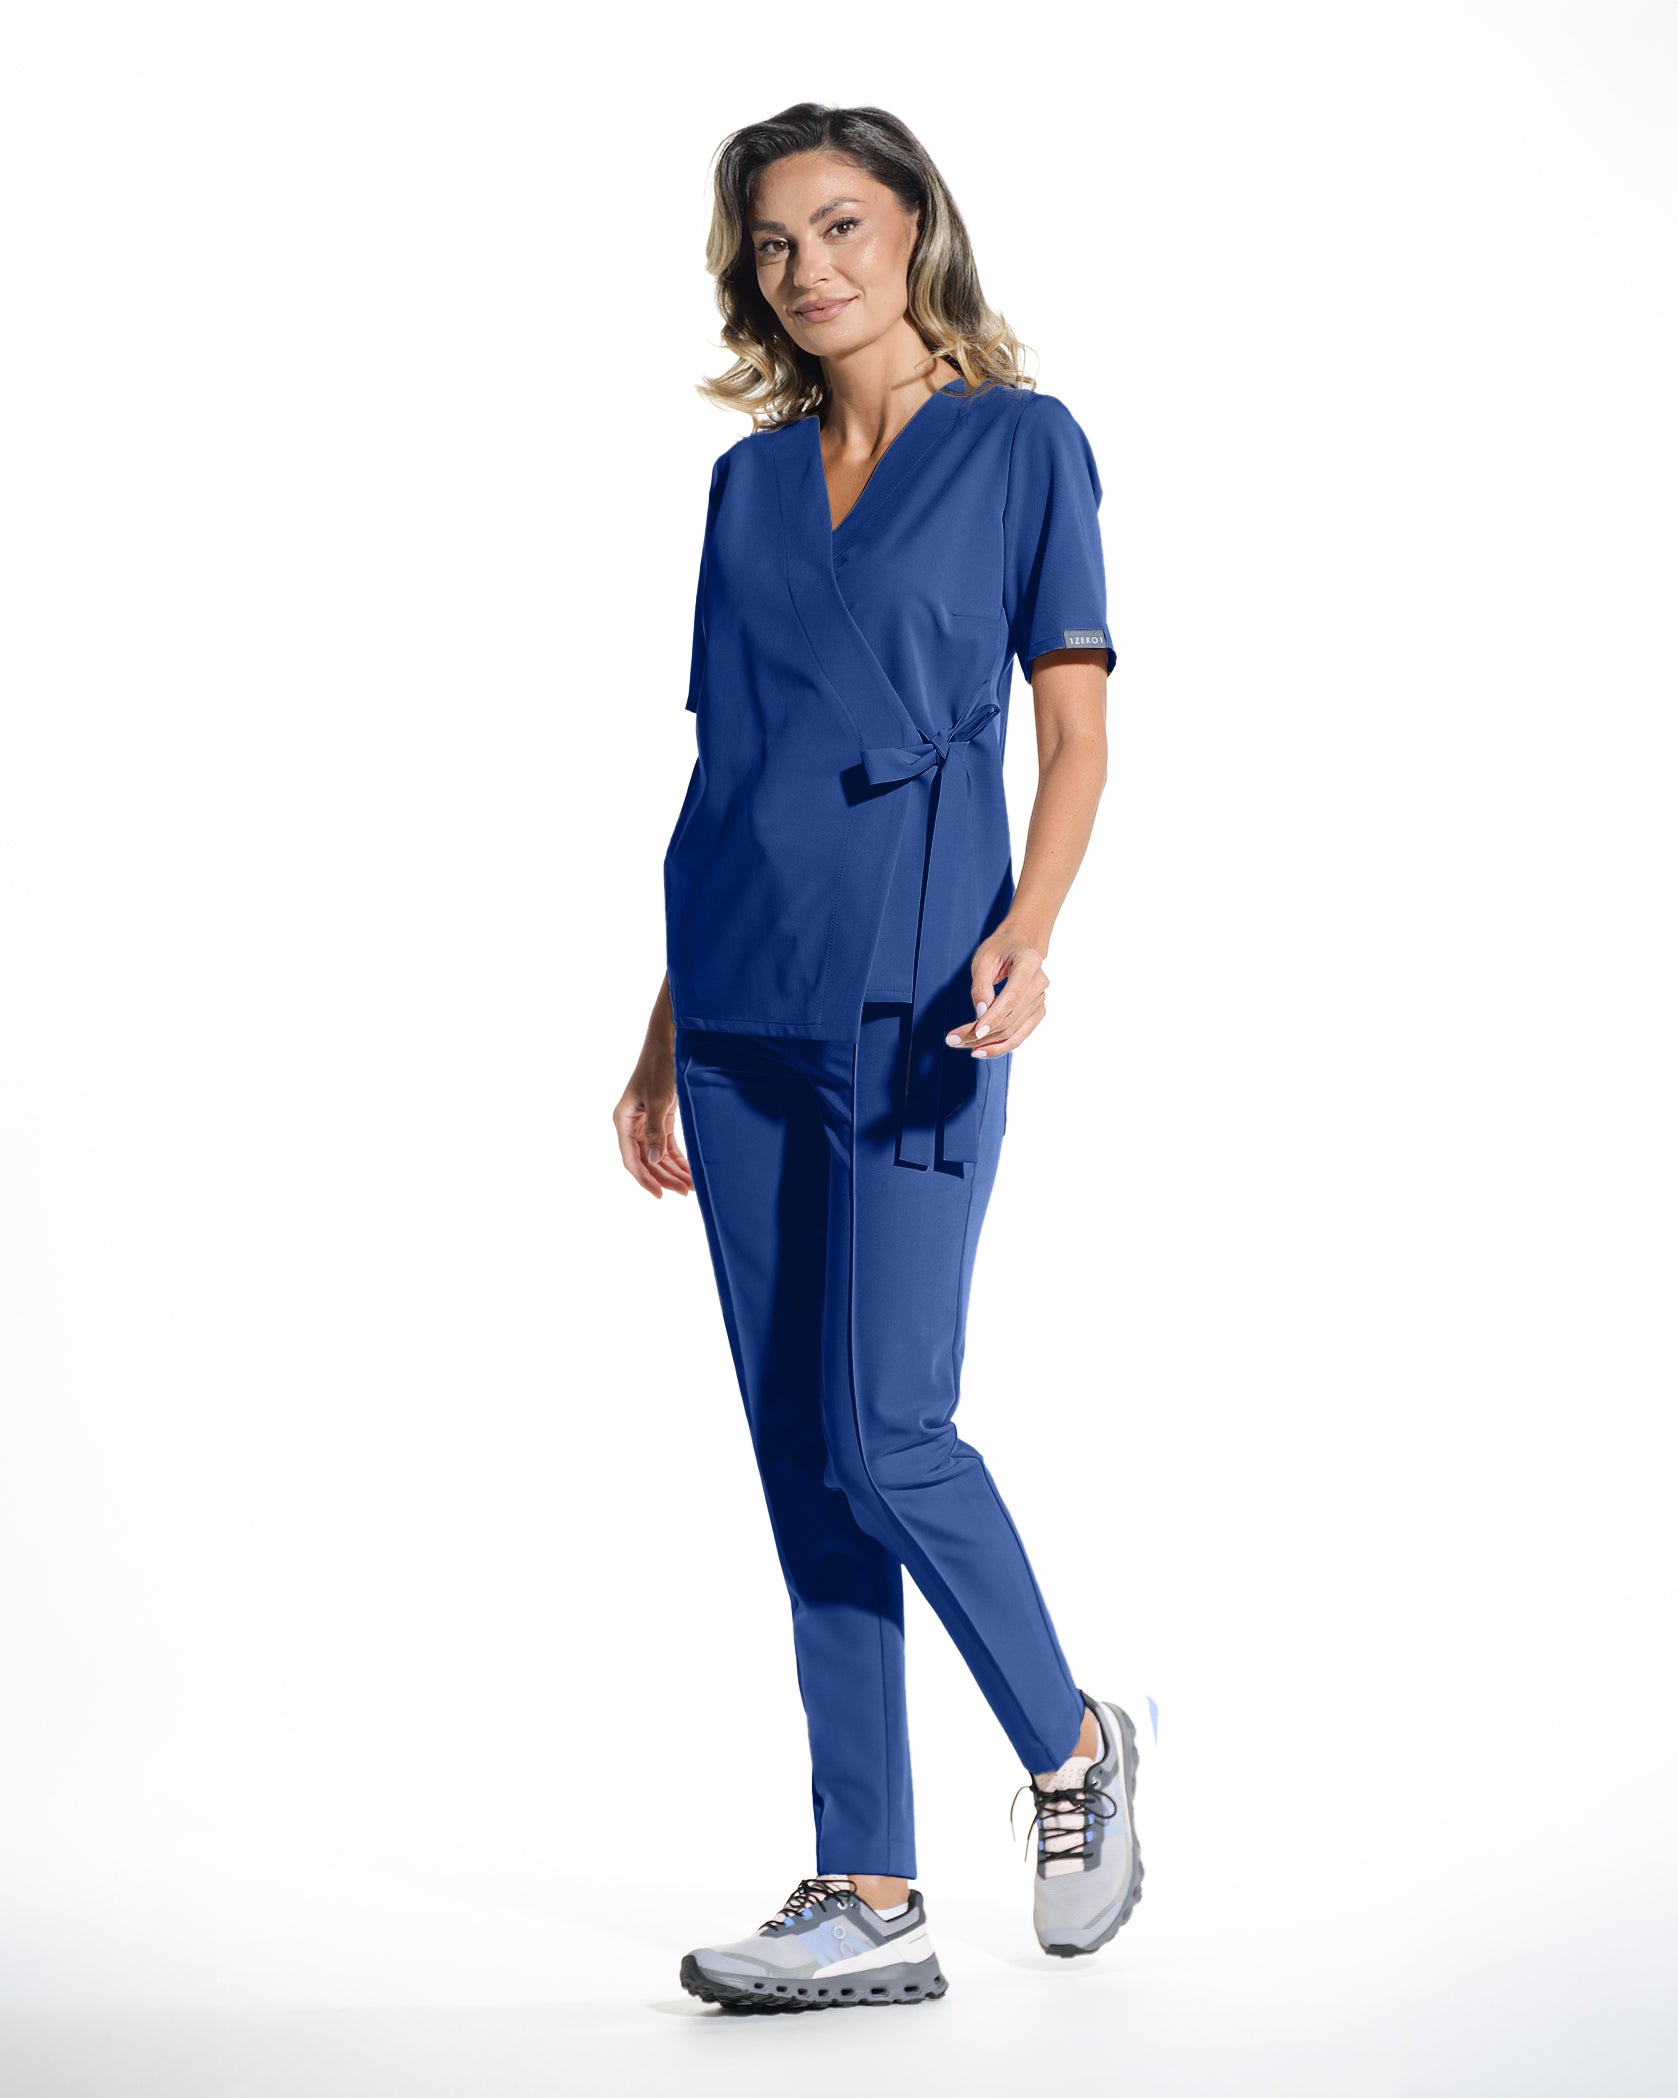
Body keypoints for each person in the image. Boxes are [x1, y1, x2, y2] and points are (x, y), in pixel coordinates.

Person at [614, 101, 1144, 2014]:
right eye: (773, 241)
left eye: (840, 224)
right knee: (800, 1463)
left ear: (913, 225)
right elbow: (727, 769)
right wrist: (661, 1029)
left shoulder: (1019, 445)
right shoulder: (745, 487)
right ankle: (867, 1888)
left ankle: (1069, 1744)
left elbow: (1071, 731)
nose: (808, 266)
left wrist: (1030, 928)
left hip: (919, 988)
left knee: (886, 1430)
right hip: (738, 1005)